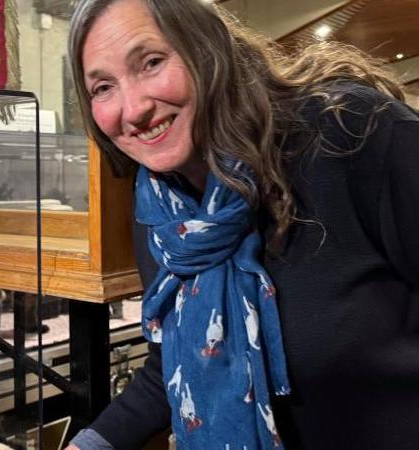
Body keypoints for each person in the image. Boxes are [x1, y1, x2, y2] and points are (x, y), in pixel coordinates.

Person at [65, 0, 419, 449]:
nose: (133, 109)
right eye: (102, 87)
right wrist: (88, 444)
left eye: (151, 62)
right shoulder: (163, 216)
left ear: (206, 50)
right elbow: (176, 361)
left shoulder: (354, 133)